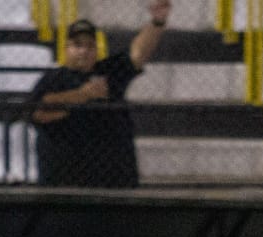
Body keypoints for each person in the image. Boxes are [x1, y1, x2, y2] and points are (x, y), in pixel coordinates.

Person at [30, 3, 171, 189]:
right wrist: (83, 95)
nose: (84, 51)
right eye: (77, 45)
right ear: (65, 49)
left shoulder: (109, 71)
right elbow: (38, 112)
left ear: (96, 49)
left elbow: (138, 53)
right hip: (64, 181)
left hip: (113, 179)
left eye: (89, 46)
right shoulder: (53, 79)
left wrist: (157, 22)